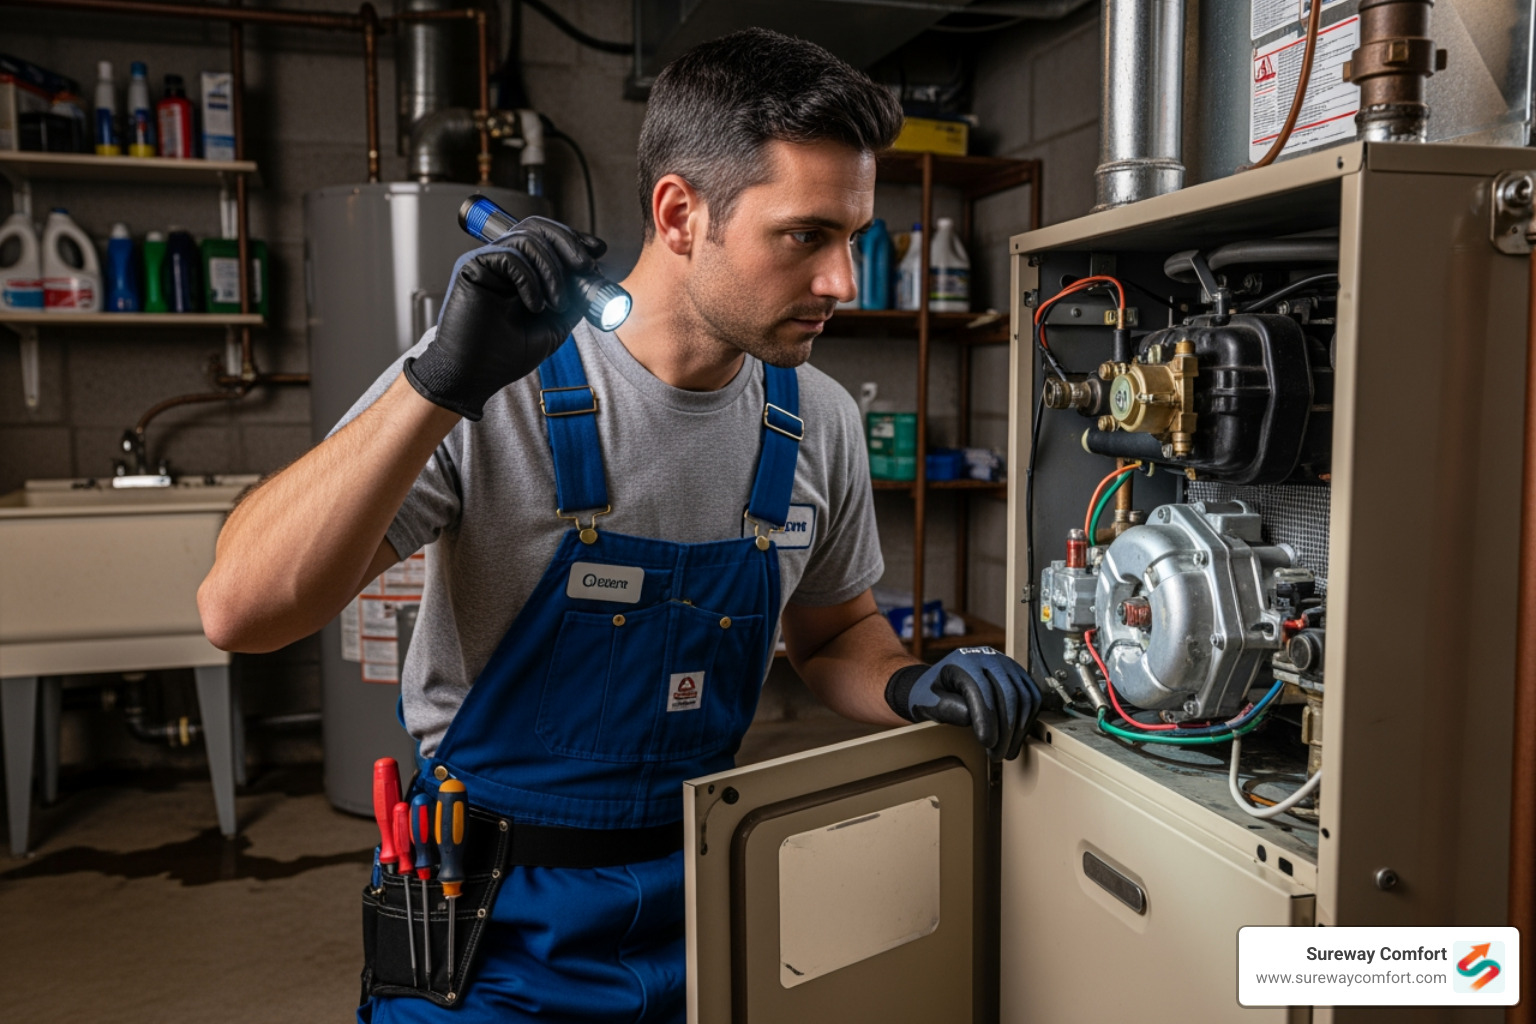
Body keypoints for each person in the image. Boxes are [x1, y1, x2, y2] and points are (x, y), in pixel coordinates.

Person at [198, 27, 1040, 1024]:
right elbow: (239, 610)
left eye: (851, 237)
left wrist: (907, 681)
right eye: (805, 234)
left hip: (710, 893)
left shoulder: (818, 420)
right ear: (682, 213)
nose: (841, 284)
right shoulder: (492, 378)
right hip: (490, 926)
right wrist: (435, 385)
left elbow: (832, 632)